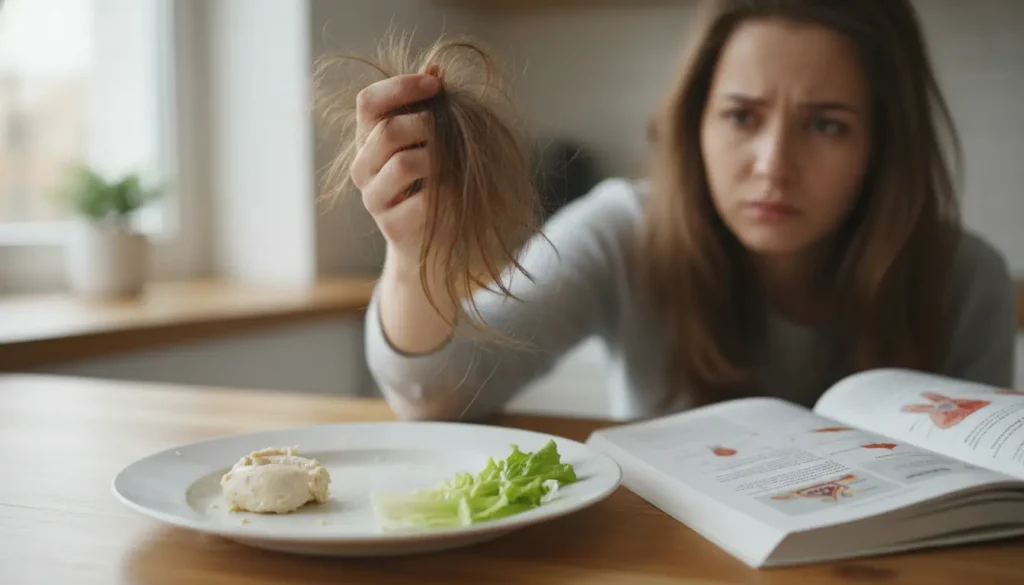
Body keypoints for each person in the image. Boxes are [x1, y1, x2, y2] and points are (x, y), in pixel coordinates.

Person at [349, 0, 1017, 421]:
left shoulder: (966, 281)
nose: (773, 163)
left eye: (826, 126)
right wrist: (415, 255)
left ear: (884, 142)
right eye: (741, 116)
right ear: (695, 122)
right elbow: (437, 396)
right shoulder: (623, 231)